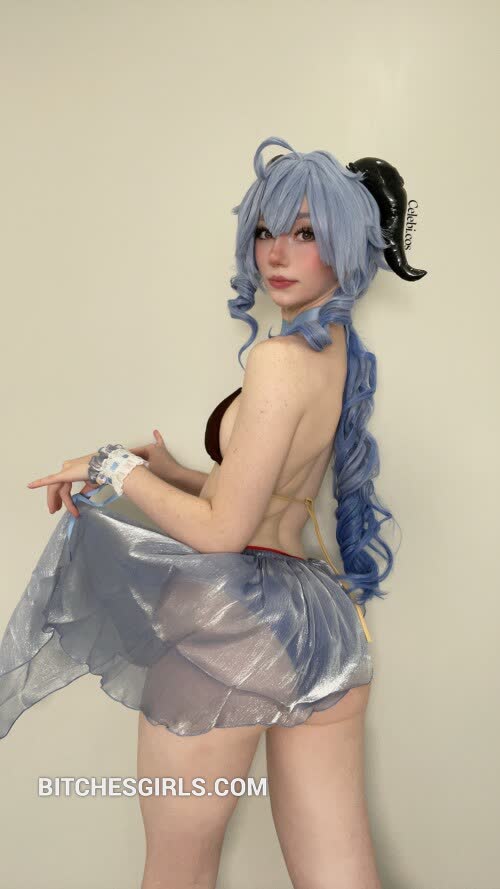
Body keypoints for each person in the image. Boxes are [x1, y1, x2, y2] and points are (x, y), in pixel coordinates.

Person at [0, 136, 426, 889]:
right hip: (320, 620)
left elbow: (225, 533)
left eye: (305, 232)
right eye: (265, 231)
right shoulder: (337, 354)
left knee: (176, 868)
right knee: (338, 873)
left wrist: (115, 466)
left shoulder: (277, 359)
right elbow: (261, 501)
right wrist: (168, 473)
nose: (276, 253)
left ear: (348, 242)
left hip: (229, 624)